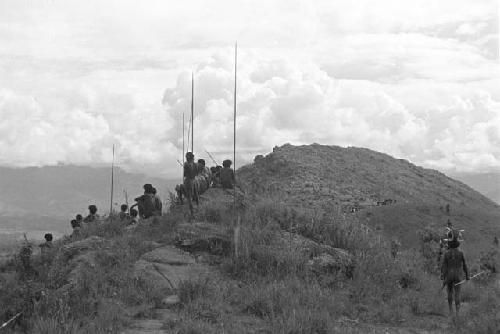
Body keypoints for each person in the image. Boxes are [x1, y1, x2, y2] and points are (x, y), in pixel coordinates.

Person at [441, 236, 469, 316]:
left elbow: (444, 266)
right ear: (457, 243)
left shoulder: (446, 253)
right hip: (458, 276)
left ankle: (450, 311)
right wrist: (467, 275)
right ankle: (457, 313)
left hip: (449, 275)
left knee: (449, 292)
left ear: (449, 243)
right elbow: (465, 265)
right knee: (457, 293)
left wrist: (443, 276)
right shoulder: (461, 253)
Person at [183, 152, 199, 216]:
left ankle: (192, 213)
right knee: (196, 195)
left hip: (188, 181)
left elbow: (184, 174)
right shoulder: (195, 164)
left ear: (187, 157)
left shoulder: (186, 164)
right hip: (194, 181)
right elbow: (197, 173)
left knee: (189, 197)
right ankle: (198, 207)